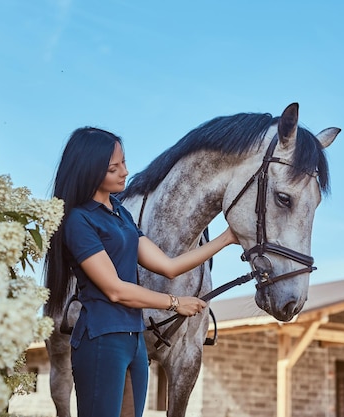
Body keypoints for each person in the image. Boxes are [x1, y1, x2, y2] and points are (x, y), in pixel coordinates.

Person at [44, 127, 238, 417]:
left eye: (123, 162)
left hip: (133, 342)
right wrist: (175, 303)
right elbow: (115, 289)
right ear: (90, 172)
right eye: (114, 168)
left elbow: (169, 266)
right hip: (101, 340)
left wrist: (227, 238)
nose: (125, 172)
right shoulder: (79, 220)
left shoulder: (120, 213)